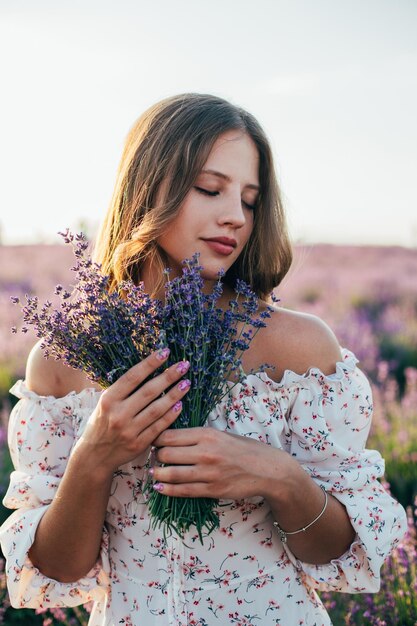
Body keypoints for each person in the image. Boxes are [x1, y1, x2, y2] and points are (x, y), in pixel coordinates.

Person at [0, 93, 407, 626]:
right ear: (146, 188)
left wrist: (278, 477)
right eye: (210, 189)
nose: (235, 216)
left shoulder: (299, 349)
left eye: (250, 199)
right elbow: (60, 571)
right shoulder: (62, 360)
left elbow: (336, 554)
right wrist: (94, 455)